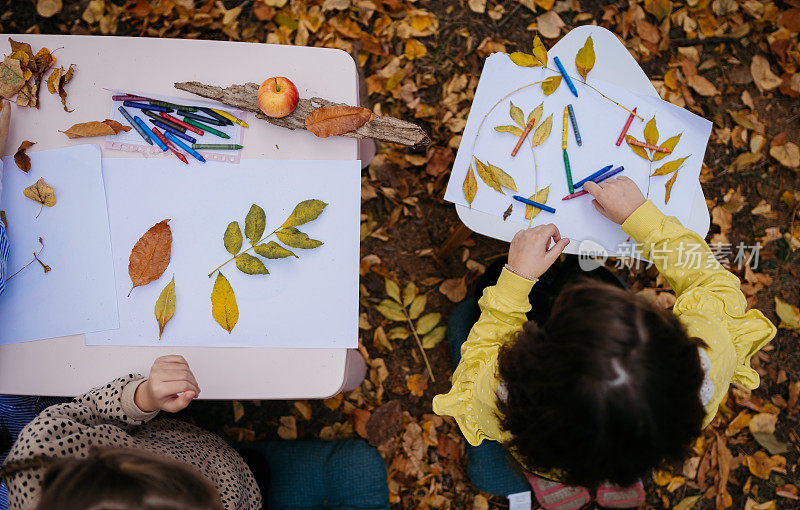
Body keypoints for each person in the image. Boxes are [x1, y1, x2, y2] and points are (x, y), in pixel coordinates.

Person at [433, 177, 776, 509]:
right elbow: (712, 283)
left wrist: (516, 281)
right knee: (607, 451)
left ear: (532, 362)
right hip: (635, 445)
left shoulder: (501, 394)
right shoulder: (706, 363)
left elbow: (479, 357)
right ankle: (613, 473)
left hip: (542, 446)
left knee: (543, 453)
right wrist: (641, 217)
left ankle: (550, 474)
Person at [0, 355, 261, 509]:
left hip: (179, 439)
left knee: (253, 462)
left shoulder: (42, 450)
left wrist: (142, 397)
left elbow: (88, 409)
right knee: (259, 469)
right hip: (239, 494)